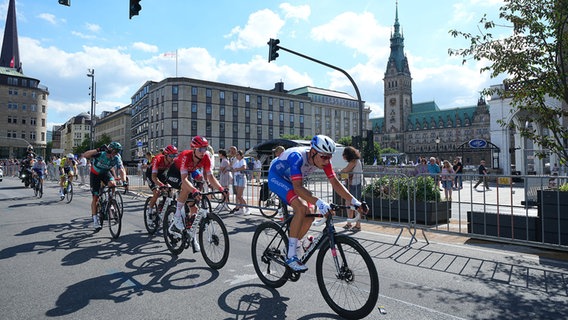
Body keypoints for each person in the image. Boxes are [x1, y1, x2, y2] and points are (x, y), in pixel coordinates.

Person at [268, 135, 368, 272]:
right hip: (277, 177)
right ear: (313, 152)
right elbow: (297, 187)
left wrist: (355, 202)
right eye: (324, 157)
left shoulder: (324, 160)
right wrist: (320, 202)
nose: (327, 161)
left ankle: (294, 245)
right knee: (301, 208)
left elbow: (335, 183)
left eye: (330, 157)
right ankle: (291, 255)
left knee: (310, 213)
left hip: (292, 181)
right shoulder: (297, 157)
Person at [165, 136, 228, 249]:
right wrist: (194, 190)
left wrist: (221, 189)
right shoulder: (186, 155)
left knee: (194, 209)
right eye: (200, 149)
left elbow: (211, 176)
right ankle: (177, 216)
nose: (203, 152)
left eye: (205, 149)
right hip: (174, 173)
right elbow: (184, 180)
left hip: (190, 172)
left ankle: (192, 236)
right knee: (185, 187)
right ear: (194, 149)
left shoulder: (206, 157)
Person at [83, 142, 127, 231]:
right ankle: (95, 220)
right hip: (95, 174)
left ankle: (111, 201)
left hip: (105, 173)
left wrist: (124, 181)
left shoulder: (117, 158)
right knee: (95, 197)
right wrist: (97, 149)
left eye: (117, 152)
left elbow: (121, 169)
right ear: (109, 150)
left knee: (113, 184)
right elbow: (85, 155)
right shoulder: (101, 154)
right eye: (114, 152)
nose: (114, 155)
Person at [145, 144, 178, 225]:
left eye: (175, 155)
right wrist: (161, 185)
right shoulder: (158, 159)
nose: (173, 157)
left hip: (162, 174)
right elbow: (154, 177)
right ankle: (149, 212)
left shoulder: (173, 161)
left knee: (170, 191)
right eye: (171, 155)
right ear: (166, 155)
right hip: (151, 174)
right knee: (156, 192)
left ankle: (162, 205)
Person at [338, 146, 363, 231]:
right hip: (353, 184)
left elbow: (346, 170)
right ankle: (350, 223)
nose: (344, 157)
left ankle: (357, 224)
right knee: (349, 203)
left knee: (354, 204)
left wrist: (340, 172)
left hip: (355, 185)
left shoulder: (354, 161)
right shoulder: (356, 161)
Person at [229, 150, 249, 215]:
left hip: (241, 177)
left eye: (238, 155)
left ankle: (247, 208)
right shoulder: (236, 161)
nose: (236, 156)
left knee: (239, 195)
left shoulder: (243, 161)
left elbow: (244, 167)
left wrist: (237, 169)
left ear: (241, 155)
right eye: (236, 155)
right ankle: (241, 208)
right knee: (238, 195)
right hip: (236, 178)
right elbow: (231, 167)